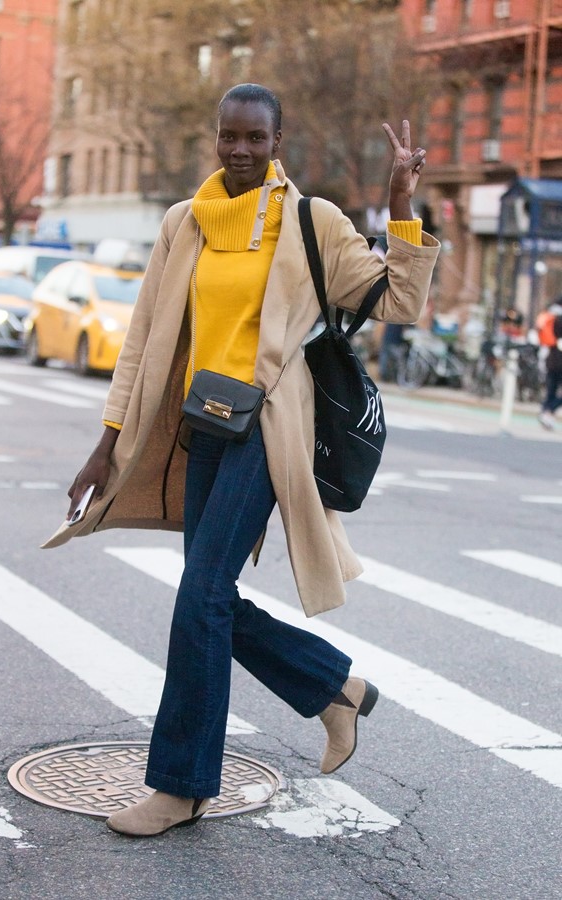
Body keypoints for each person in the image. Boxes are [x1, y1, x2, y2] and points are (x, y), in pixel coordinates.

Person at [43, 83, 439, 837]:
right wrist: (106, 442)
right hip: (204, 426)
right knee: (209, 596)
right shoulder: (182, 224)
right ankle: (335, 689)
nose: (240, 150)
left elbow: (397, 301)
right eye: (229, 136)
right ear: (216, 137)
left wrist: (400, 205)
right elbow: (140, 339)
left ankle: (183, 785)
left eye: (256, 138)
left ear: (277, 142)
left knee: (200, 595)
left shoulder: (309, 220)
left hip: (269, 427)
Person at [537, 302, 562, 430]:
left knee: (551, 391)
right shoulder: (559, 321)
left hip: (551, 362)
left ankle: (546, 413)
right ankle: (548, 412)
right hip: (559, 362)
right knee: (553, 392)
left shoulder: (552, 319)